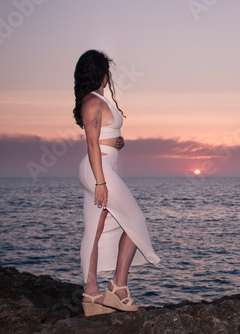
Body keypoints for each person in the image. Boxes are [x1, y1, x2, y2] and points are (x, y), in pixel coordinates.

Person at [73, 50, 160, 317]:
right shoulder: (91, 102)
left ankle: (92, 294)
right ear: (102, 73)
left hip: (103, 166)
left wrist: (117, 141)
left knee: (97, 228)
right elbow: (91, 143)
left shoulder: (99, 99)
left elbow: (103, 137)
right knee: (135, 220)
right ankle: (118, 287)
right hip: (98, 171)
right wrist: (100, 182)